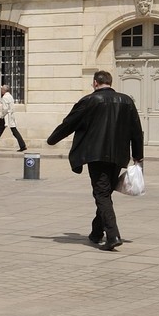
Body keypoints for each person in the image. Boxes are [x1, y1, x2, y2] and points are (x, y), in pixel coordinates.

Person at [46, 70, 144, 252]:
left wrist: (52, 139)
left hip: (96, 154)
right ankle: (96, 232)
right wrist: (138, 155)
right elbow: (136, 130)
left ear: (95, 83)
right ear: (110, 82)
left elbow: (69, 123)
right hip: (118, 155)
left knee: (101, 194)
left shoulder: (89, 100)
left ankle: (113, 235)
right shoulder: (127, 101)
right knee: (105, 192)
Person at [0, 82, 28, 152]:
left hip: (6, 116)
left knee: (0, 131)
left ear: (4, 90)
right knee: (12, 131)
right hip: (11, 116)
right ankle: (22, 145)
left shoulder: (4, 97)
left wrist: (1, 117)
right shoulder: (10, 96)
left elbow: (5, 109)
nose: (1, 91)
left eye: (2, 89)